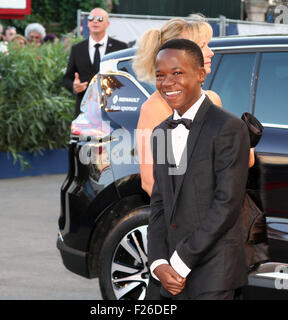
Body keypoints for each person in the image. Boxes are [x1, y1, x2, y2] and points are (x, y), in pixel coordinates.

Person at [148, 39, 250, 300]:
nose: (167, 83)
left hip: (214, 270)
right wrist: (159, 262)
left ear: (201, 74)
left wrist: (181, 261)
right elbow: (159, 202)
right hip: (169, 271)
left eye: (177, 73)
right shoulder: (160, 132)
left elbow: (226, 204)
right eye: (160, 75)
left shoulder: (228, 127)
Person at [134, 16, 255, 197]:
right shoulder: (155, 109)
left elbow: (245, 161)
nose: (211, 52)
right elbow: (151, 182)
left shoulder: (213, 99)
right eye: (202, 46)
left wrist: (245, 137)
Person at [63, 7, 128, 116]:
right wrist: (74, 87)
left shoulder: (120, 47)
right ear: (87, 24)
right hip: (84, 110)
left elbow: (127, 77)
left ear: (107, 23)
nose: (95, 21)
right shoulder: (77, 49)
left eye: (100, 18)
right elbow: (67, 78)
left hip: (114, 109)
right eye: (91, 18)